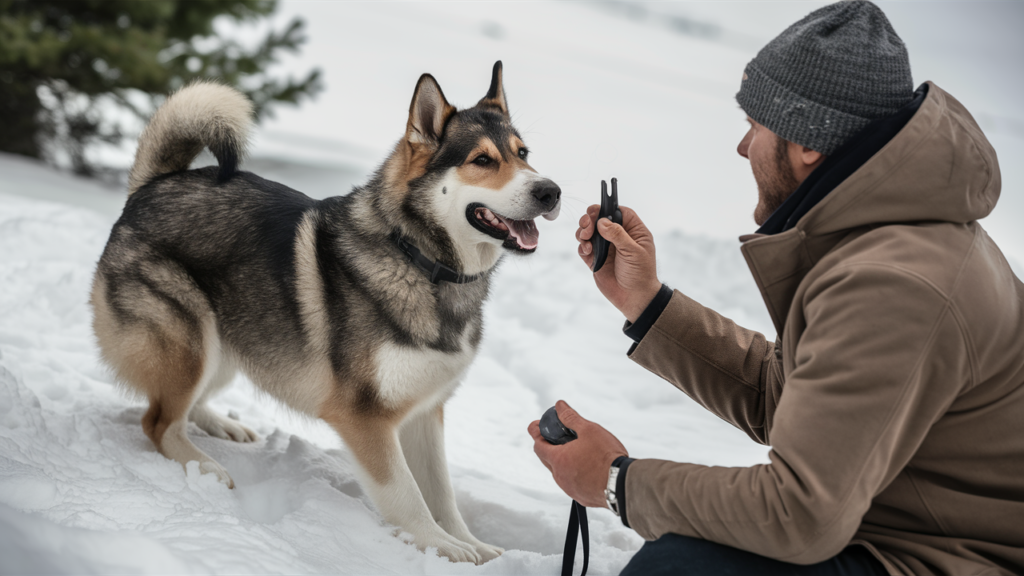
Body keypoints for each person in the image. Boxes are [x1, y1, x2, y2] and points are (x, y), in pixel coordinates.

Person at [527, 2, 1024, 575]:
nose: (743, 149)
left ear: (807, 142)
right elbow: (791, 398)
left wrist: (616, 481)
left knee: (682, 570)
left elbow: (799, 514)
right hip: (893, 533)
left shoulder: (894, 281)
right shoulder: (888, 239)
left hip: (946, 559)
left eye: (754, 126)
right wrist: (649, 304)